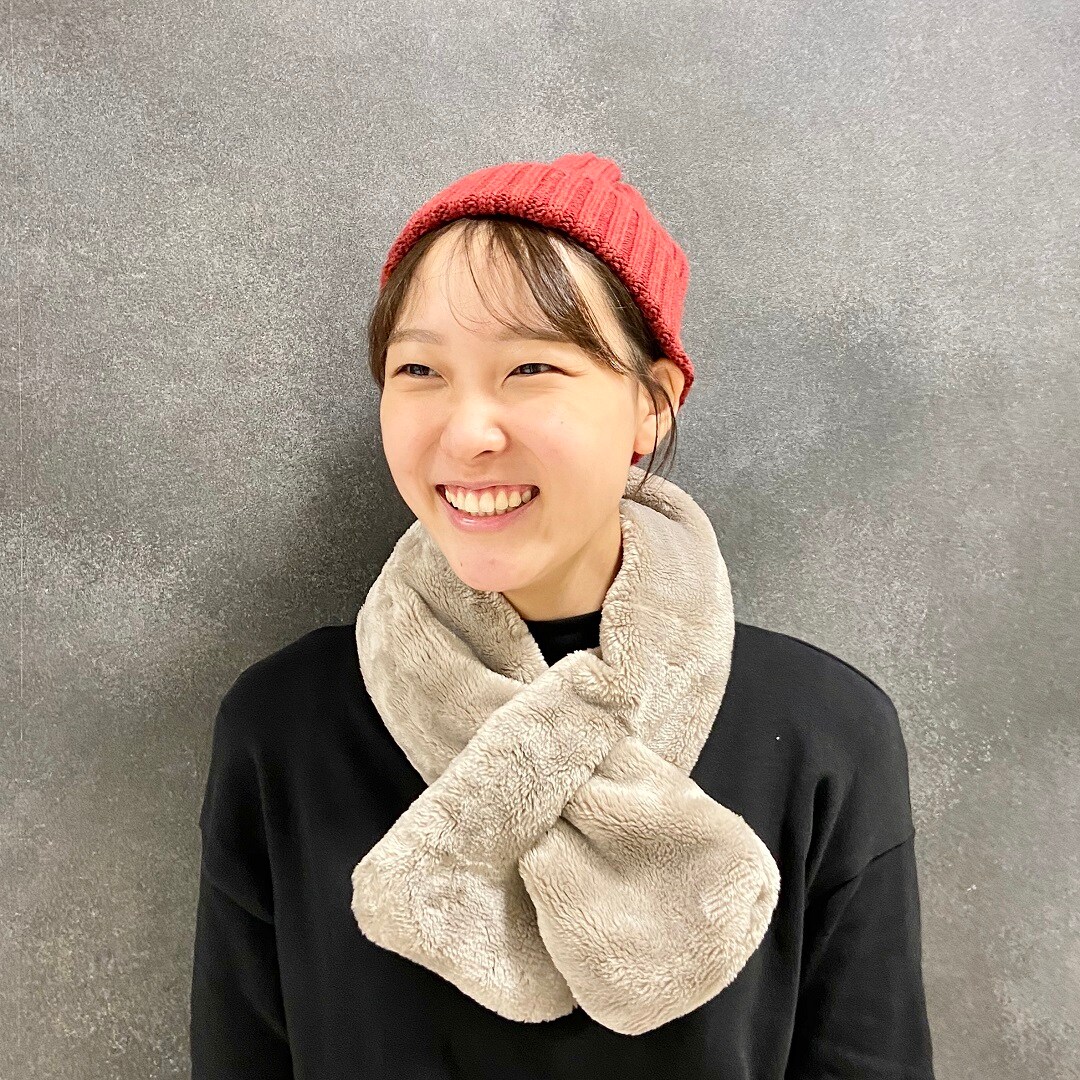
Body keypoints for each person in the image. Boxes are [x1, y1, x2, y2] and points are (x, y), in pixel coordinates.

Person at [190, 152, 936, 1078]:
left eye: (531, 366)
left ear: (652, 405)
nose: (468, 432)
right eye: (419, 368)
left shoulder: (823, 732)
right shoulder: (286, 725)